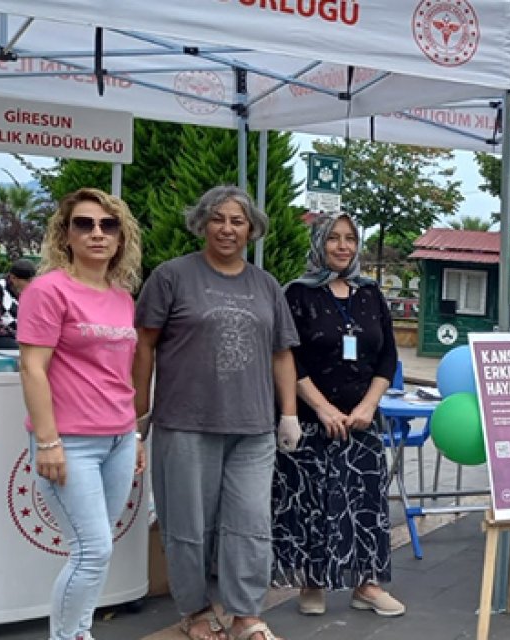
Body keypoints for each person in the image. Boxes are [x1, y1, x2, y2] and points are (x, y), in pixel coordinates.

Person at [133, 185, 300, 640]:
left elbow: (282, 352)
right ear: (202, 223)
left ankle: (246, 613)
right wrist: (139, 412)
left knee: (250, 523)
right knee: (188, 525)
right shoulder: (172, 277)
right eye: (218, 219)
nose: (227, 229)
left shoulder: (266, 285)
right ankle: (195, 609)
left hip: (253, 427)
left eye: (237, 221)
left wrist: (288, 414)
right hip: (186, 423)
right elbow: (144, 345)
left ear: (252, 229)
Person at [16, 188, 145, 640]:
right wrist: (48, 441)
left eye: (108, 225)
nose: (97, 233)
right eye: (84, 224)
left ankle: (79, 631)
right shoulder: (47, 291)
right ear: (65, 234)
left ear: (121, 237)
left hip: (119, 438)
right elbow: (32, 368)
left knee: (97, 548)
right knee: (92, 550)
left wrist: (135, 435)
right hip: (70, 441)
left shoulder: (122, 297)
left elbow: (120, 373)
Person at [272, 213, 404, 618]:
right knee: (313, 501)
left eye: (350, 239)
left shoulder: (370, 294)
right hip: (312, 420)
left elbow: (387, 356)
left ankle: (367, 584)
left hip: (362, 421)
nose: (343, 246)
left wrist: (368, 405)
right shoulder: (296, 294)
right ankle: (312, 582)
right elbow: (287, 357)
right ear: (319, 243)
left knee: (365, 501)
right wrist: (322, 408)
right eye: (333, 238)